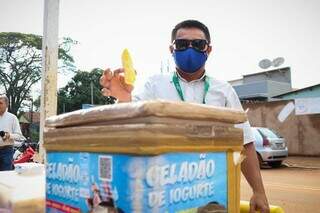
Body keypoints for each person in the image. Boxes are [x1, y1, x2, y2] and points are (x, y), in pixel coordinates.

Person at [100, 20, 270, 213]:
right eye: (182, 44)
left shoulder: (223, 91)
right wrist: (122, 96)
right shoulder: (155, 85)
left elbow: (245, 141)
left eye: (198, 44)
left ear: (208, 49)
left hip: (213, 193)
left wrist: (258, 191)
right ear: (172, 49)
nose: (190, 49)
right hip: (164, 192)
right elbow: (129, 118)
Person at [0, 94, 23, 171]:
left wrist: (9, 135)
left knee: (6, 175)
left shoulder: (12, 118)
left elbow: (19, 136)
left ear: (7, 105)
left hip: (6, 151)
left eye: (0, 103)